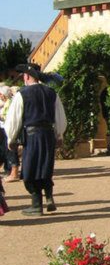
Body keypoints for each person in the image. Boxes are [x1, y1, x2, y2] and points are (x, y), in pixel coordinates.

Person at [4, 63, 67, 216]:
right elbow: (60, 117)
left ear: (27, 76)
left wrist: (11, 139)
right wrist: (60, 135)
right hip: (48, 135)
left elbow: (14, 119)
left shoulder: (22, 94)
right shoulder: (52, 93)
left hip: (32, 136)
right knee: (45, 166)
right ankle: (49, 197)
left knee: (30, 169)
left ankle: (36, 205)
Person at [0, 86, 19, 182]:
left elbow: (8, 116)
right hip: (5, 129)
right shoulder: (7, 102)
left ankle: (14, 172)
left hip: (8, 129)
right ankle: (10, 171)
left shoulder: (10, 102)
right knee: (5, 150)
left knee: (10, 150)